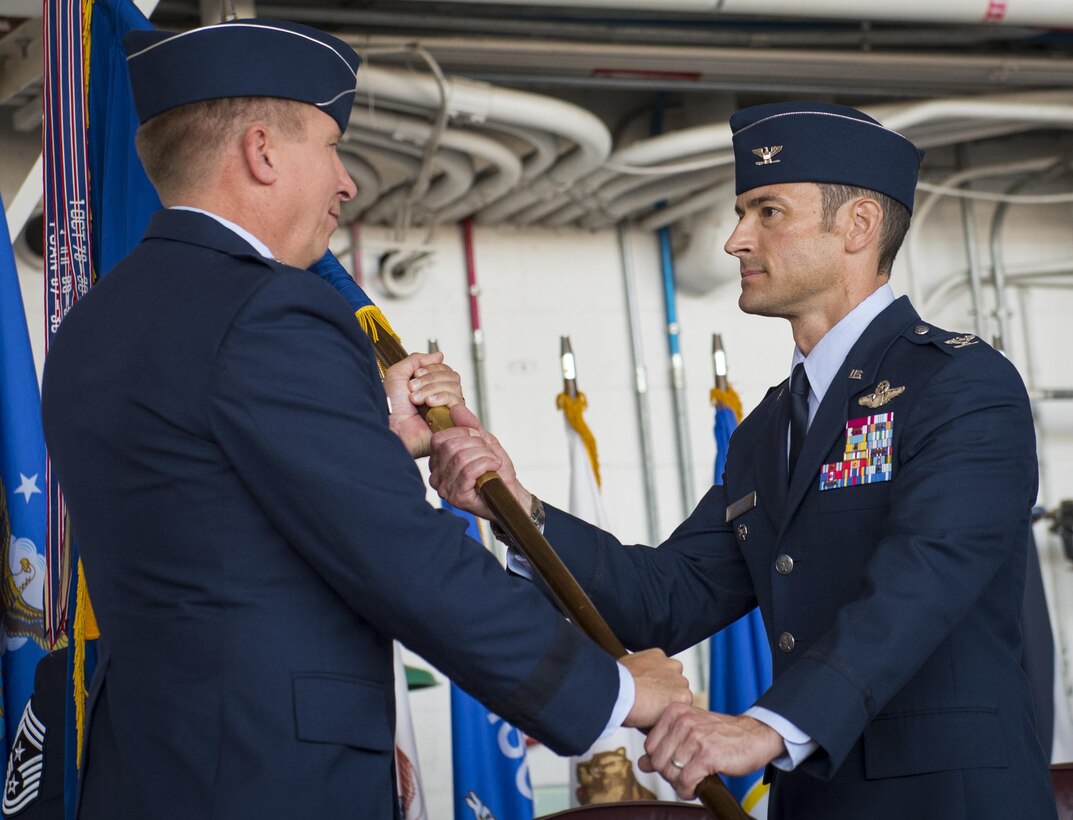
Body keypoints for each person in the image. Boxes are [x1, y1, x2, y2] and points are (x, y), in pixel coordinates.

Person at [39, 19, 691, 819]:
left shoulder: (94, 324)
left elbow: (213, 520)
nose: (346, 182)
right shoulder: (270, 309)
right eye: (330, 145)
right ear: (263, 152)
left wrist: (369, 440)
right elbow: (401, 557)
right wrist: (616, 691)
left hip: (154, 766)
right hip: (267, 778)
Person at [429, 101, 1058, 818]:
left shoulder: (958, 383)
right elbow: (663, 597)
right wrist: (512, 506)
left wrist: (767, 726)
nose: (734, 239)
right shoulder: (767, 428)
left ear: (856, 227)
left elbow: (925, 581)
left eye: (766, 212)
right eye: (740, 212)